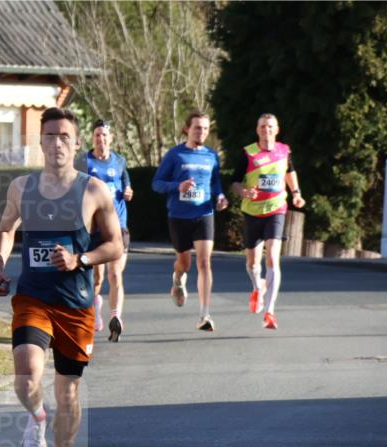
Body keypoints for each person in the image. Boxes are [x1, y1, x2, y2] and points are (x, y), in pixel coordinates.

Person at [0, 107, 123, 447]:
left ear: (77, 143)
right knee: (26, 374)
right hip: (33, 297)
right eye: (50, 136)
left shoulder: (95, 191)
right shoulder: (21, 188)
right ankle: (36, 418)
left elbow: (116, 245)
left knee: (67, 394)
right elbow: (6, 229)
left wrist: (80, 260)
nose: (57, 143)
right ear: (41, 142)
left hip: (77, 306)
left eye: (65, 136)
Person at [151, 112, 228, 331]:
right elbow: (156, 183)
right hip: (178, 216)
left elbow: (215, 183)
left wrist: (220, 197)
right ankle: (177, 278)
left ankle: (204, 315)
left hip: (204, 213)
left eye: (204, 128)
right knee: (184, 264)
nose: (201, 132)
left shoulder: (212, 155)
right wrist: (177, 186)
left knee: (205, 262)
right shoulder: (175, 155)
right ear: (187, 129)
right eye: (197, 128)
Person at [230, 113, 305, 330]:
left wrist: (296, 193)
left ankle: (270, 312)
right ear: (257, 130)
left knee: (272, 257)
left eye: (270, 126)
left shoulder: (284, 151)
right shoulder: (248, 153)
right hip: (253, 212)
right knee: (252, 264)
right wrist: (243, 191)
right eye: (263, 126)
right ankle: (257, 287)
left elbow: (290, 172)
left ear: (277, 129)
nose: (267, 130)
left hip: (276, 209)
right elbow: (234, 181)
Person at [75, 120, 133, 342]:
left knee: (116, 273)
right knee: (97, 276)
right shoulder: (84, 161)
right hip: (95, 226)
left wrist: (128, 190)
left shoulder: (119, 160)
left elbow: (125, 181)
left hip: (119, 225)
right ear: (93, 138)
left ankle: (116, 317)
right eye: (97, 135)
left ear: (111, 138)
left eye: (104, 135)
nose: (101, 139)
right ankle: (95, 310)